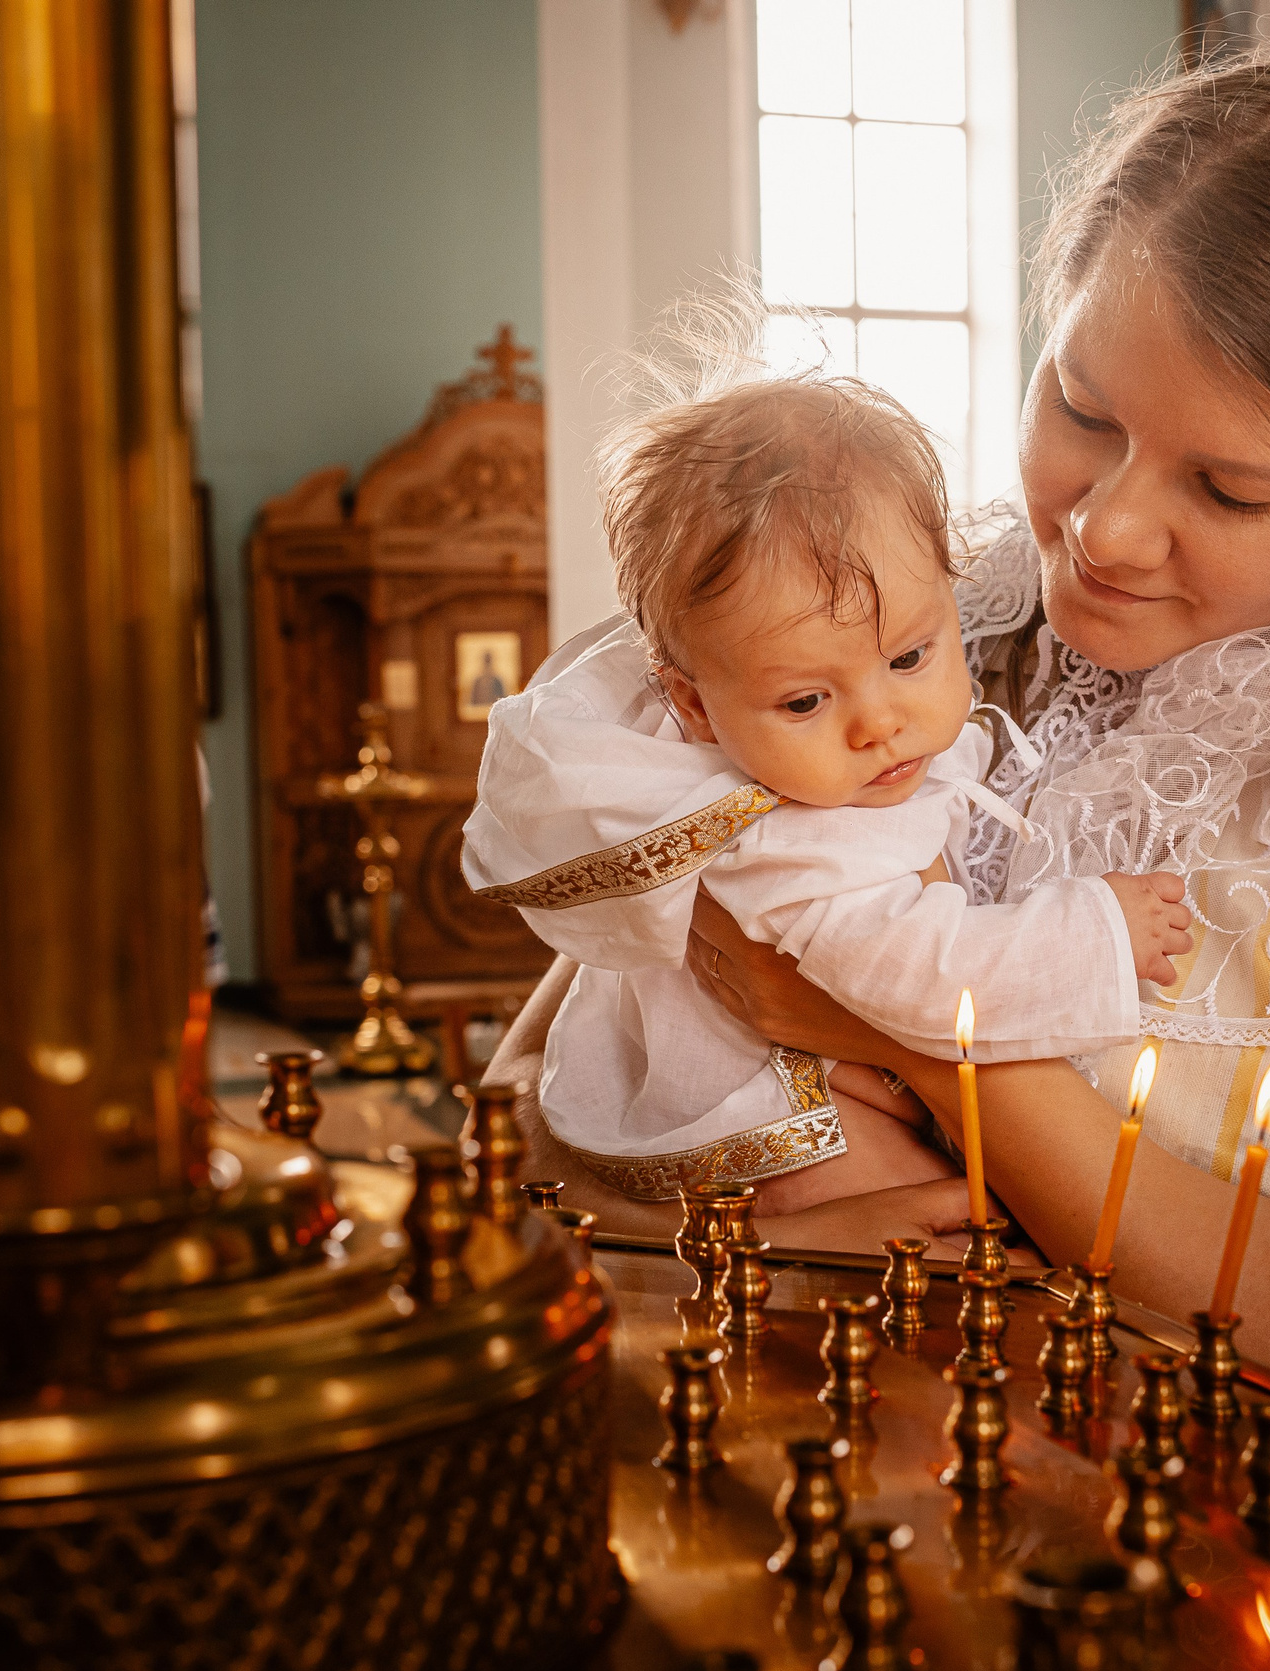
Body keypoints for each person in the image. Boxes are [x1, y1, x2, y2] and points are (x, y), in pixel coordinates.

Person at [486, 56, 1270, 1428]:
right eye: (1083, 410)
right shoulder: (920, 623)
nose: (1103, 529)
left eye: (1230, 488)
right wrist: (746, 1255)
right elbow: (525, 1106)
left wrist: (918, 1038)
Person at [461, 366, 1195, 1214]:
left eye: (909, 656)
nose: (879, 723)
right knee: (958, 1224)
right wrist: (1096, 929)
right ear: (694, 706)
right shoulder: (785, 837)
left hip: (831, 1089)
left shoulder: (844, 766)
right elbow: (924, 970)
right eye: (807, 701)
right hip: (767, 1121)